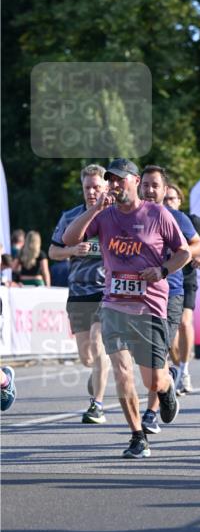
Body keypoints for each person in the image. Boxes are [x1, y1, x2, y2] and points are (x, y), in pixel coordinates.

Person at [62, 157, 190, 458]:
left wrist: (162, 271)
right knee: (121, 372)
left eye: (120, 179)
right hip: (114, 306)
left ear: (135, 180)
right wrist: (95, 208)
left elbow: (183, 252)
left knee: (152, 380)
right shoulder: (104, 216)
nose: (115, 184)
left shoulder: (158, 214)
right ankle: (137, 436)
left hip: (150, 307)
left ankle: (166, 382)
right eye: (112, 179)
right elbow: (69, 239)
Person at [139, 166, 200, 434]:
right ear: (139, 187)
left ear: (165, 190)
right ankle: (169, 379)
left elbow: (196, 244)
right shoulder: (129, 217)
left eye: (156, 185)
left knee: (158, 352)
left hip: (170, 293)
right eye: (146, 185)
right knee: (145, 356)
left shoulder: (177, 217)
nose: (150, 190)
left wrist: (175, 261)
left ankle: (151, 413)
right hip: (137, 295)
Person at [49, 164, 111, 424]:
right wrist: (72, 250)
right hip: (78, 293)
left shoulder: (115, 217)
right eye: (88, 187)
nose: (92, 191)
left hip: (105, 292)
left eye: (97, 186)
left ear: (106, 187)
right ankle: (98, 371)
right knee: (87, 357)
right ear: (82, 189)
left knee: (98, 346)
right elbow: (53, 252)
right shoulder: (70, 217)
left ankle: (97, 405)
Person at [164, 183, 200, 395]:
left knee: (185, 323)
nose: (168, 202)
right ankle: (177, 368)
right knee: (170, 336)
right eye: (165, 198)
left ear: (179, 201)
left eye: (172, 199)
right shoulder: (156, 218)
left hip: (186, 278)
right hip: (165, 279)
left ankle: (184, 369)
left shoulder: (189, 220)